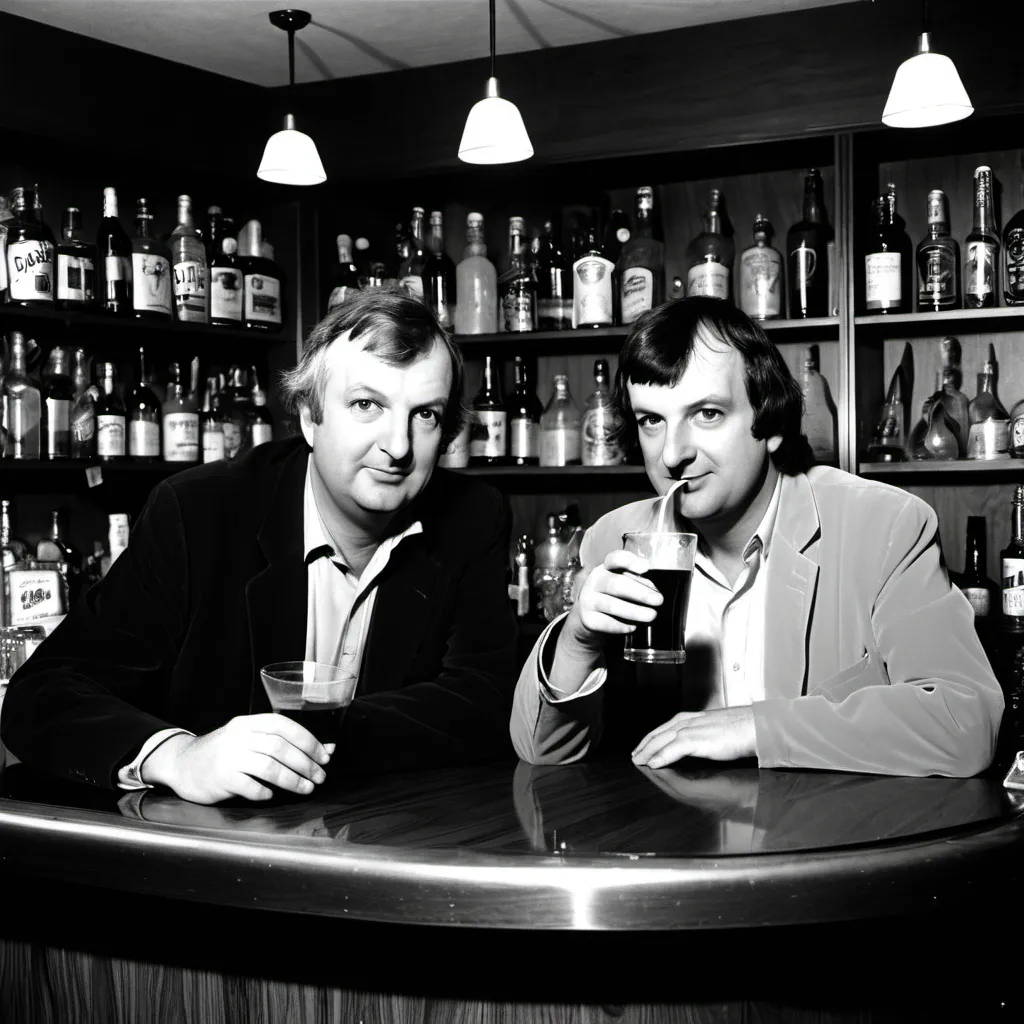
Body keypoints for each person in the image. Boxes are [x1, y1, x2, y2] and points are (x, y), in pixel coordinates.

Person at [2, 292, 518, 804]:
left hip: (386, 841)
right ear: (309, 418)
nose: (399, 446)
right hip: (201, 854)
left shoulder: (473, 515)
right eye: (367, 405)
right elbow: (43, 696)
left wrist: (317, 735)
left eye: (424, 415)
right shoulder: (199, 511)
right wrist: (179, 756)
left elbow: (486, 700)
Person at [511, 296, 1003, 777]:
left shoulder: (885, 525)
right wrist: (576, 640)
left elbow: (967, 722)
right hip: (672, 845)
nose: (672, 454)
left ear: (768, 423)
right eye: (651, 422)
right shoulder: (613, 541)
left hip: (826, 845)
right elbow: (544, 752)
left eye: (707, 414)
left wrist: (756, 727)